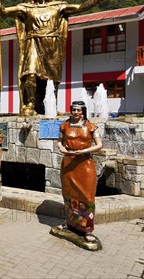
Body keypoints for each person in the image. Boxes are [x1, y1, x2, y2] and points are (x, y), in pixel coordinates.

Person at [0, 0, 110, 116]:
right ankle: (30, 104)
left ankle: (51, 104)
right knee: (30, 73)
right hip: (33, 42)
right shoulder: (26, 7)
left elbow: (80, 7)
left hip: (52, 45)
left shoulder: (58, 6)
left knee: (52, 80)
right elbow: (6, 11)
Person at [56, 100, 103, 244]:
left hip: (85, 163)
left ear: (83, 111)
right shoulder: (64, 126)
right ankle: (70, 223)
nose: (76, 112)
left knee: (87, 196)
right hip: (68, 163)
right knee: (68, 194)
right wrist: (62, 148)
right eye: (74, 110)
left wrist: (84, 151)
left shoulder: (91, 127)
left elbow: (99, 145)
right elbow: (59, 141)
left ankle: (87, 229)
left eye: (79, 110)